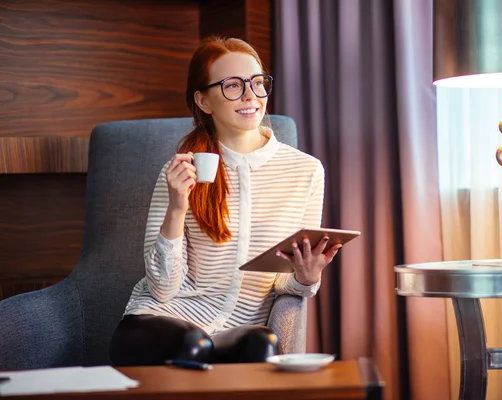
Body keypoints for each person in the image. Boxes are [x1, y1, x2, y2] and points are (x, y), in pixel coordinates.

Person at [109, 36, 341, 366]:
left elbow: (283, 280)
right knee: (193, 346)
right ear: (204, 101)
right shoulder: (181, 171)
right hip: (162, 319)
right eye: (232, 85)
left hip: (237, 329)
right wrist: (177, 207)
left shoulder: (306, 171)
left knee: (263, 346)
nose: (250, 96)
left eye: (257, 83)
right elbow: (161, 288)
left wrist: (307, 276)